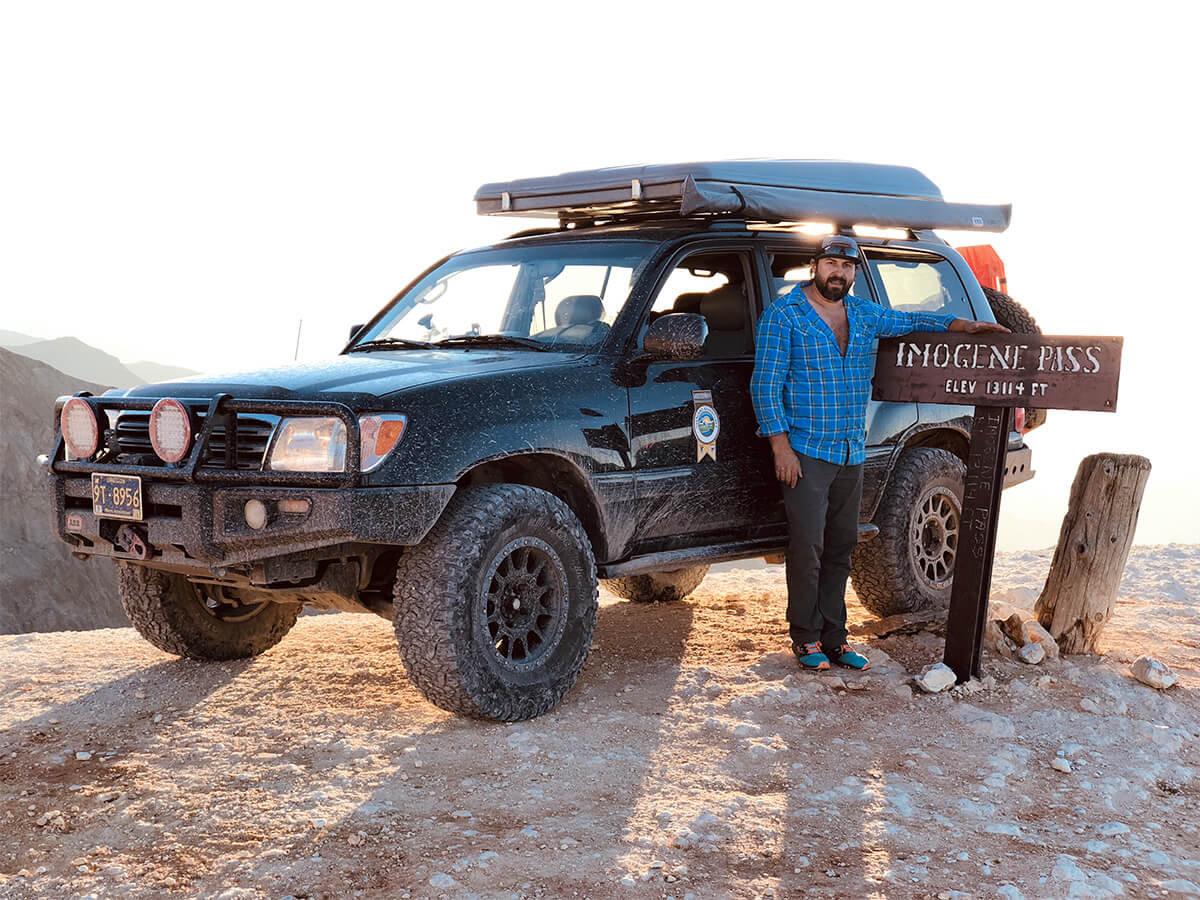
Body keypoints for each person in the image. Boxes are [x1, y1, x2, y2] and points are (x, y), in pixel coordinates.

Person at [750, 235, 1009, 671]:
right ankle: (806, 639)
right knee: (808, 547)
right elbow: (765, 386)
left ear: (855, 273)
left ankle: (836, 638)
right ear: (815, 266)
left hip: (852, 450)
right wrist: (780, 448)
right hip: (806, 452)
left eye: (848, 267)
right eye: (832, 264)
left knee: (842, 548)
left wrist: (961, 327)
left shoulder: (864, 315)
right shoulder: (784, 316)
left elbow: (908, 320)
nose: (840, 273)